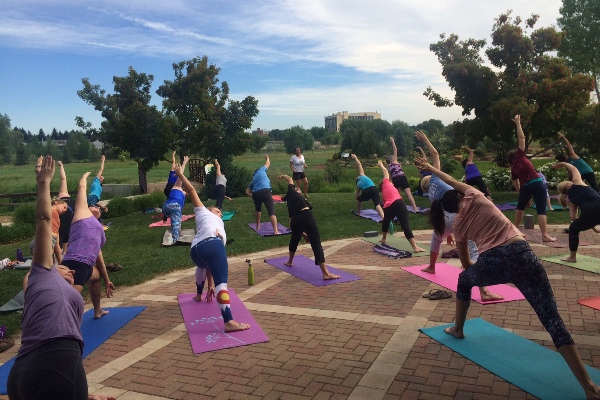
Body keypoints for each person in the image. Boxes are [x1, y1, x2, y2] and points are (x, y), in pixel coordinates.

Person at [414, 155, 600, 400]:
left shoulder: (458, 226)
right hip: (524, 254)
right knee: (552, 320)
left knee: (463, 279)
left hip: (494, 261)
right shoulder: (475, 195)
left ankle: (458, 328)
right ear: (460, 196)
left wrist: (479, 278)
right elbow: (451, 180)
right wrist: (431, 168)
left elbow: (467, 264)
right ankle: (588, 387)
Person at [8, 155, 116, 400]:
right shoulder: (39, 274)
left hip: (26, 369)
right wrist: (44, 182)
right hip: (54, 360)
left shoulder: (42, 281)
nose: (69, 271)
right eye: (63, 268)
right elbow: (44, 220)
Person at [415, 130, 502, 301]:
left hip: (444, 221)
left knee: (436, 239)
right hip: (458, 218)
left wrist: (448, 233)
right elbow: (435, 154)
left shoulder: (430, 193)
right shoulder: (436, 179)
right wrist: (425, 139)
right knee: (472, 252)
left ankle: (432, 266)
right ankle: (484, 292)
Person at [175, 164, 250, 332]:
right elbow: (192, 191)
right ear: (210, 209)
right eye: (218, 211)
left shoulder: (213, 221)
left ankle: (198, 294)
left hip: (196, 251)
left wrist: (210, 284)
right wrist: (180, 174)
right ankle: (229, 322)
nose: (220, 213)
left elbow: (210, 262)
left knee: (204, 266)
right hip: (211, 244)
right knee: (222, 284)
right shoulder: (203, 211)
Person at [61, 171, 114, 319]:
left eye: (99, 208)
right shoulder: (81, 215)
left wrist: (107, 280)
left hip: (87, 265)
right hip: (75, 263)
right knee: (66, 301)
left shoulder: (100, 232)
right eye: (94, 206)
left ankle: (97, 311)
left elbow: (99, 258)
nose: (97, 207)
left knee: (96, 277)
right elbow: (82, 189)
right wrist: (84, 177)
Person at [277, 174, 341, 280]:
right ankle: (325, 273)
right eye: (298, 189)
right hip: (306, 215)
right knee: (316, 242)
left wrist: (303, 234)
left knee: (294, 238)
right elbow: (289, 178)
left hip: (297, 219)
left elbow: (292, 224)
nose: (299, 190)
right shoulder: (292, 191)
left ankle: (290, 261)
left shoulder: (290, 201)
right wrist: (282, 176)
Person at [507, 115, 556, 242]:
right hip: (537, 182)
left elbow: (515, 181)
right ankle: (545, 236)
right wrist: (518, 123)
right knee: (541, 210)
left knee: (520, 207)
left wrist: (521, 193)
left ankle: (515, 231)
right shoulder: (519, 156)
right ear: (516, 154)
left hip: (525, 186)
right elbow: (521, 138)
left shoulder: (513, 167)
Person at [554, 162, 600, 262]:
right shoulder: (576, 182)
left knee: (573, 228)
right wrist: (563, 163)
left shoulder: (571, 200)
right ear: (568, 185)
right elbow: (574, 168)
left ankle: (572, 257)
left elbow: (574, 218)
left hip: (589, 211)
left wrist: (592, 226)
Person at [376, 160, 425, 252]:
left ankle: (383, 238)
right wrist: (381, 165)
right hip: (398, 203)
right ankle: (414, 247)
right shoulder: (386, 183)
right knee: (405, 225)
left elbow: (386, 202)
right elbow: (386, 172)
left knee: (386, 221)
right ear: (384, 183)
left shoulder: (384, 192)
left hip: (389, 205)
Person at [245, 155, 280, 234]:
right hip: (265, 191)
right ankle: (276, 231)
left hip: (256, 193)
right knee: (271, 211)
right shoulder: (261, 170)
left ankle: (258, 226)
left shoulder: (253, 179)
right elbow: (268, 163)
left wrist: (253, 197)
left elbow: (247, 192)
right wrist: (267, 158)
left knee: (258, 209)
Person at [387, 136, 420, 211]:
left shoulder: (395, 161)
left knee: (408, 194)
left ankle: (415, 208)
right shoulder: (389, 166)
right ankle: (400, 208)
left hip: (401, 178)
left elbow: (395, 149)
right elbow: (390, 177)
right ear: (390, 159)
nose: (392, 156)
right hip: (397, 180)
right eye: (391, 157)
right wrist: (390, 183)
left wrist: (392, 141)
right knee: (396, 195)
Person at [163, 155, 190, 244]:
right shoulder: (178, 187)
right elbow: (180, 176)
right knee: (176, 223)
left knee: (175, 221)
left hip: (166, 208)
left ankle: (176, 231)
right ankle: (175, 240)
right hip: (174, 206)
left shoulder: (176, 190)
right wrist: (185, 162)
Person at [351, 154, 384, 219]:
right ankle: (383, 217)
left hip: (367, 190)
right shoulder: (362, 175)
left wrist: (359, 197)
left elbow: (357, 196)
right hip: (374, 188)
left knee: (359, 199)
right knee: (377, 204)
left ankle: (358, 212)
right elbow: (359, 165)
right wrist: (355, 157)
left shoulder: (358, 185)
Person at [56, 160, 77, 254]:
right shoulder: (64, 195)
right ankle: (64, 251)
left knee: (62, 232)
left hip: (67, 213)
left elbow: (63, 179)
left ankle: (62, 251)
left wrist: (61, 166)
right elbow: (63, 179)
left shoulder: (61, 196)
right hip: (71, 211)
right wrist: (61, 166)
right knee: (67, 231)